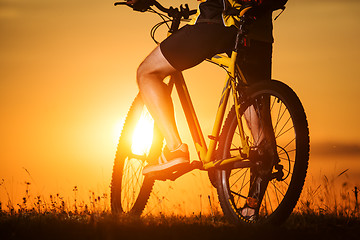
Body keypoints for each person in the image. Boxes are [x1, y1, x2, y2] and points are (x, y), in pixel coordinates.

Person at [127, 0, 274, 175]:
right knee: (258, 112)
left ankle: (175, 150)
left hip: (219, 22)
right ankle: (254, 198)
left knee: (147, 72)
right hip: (259, 32)